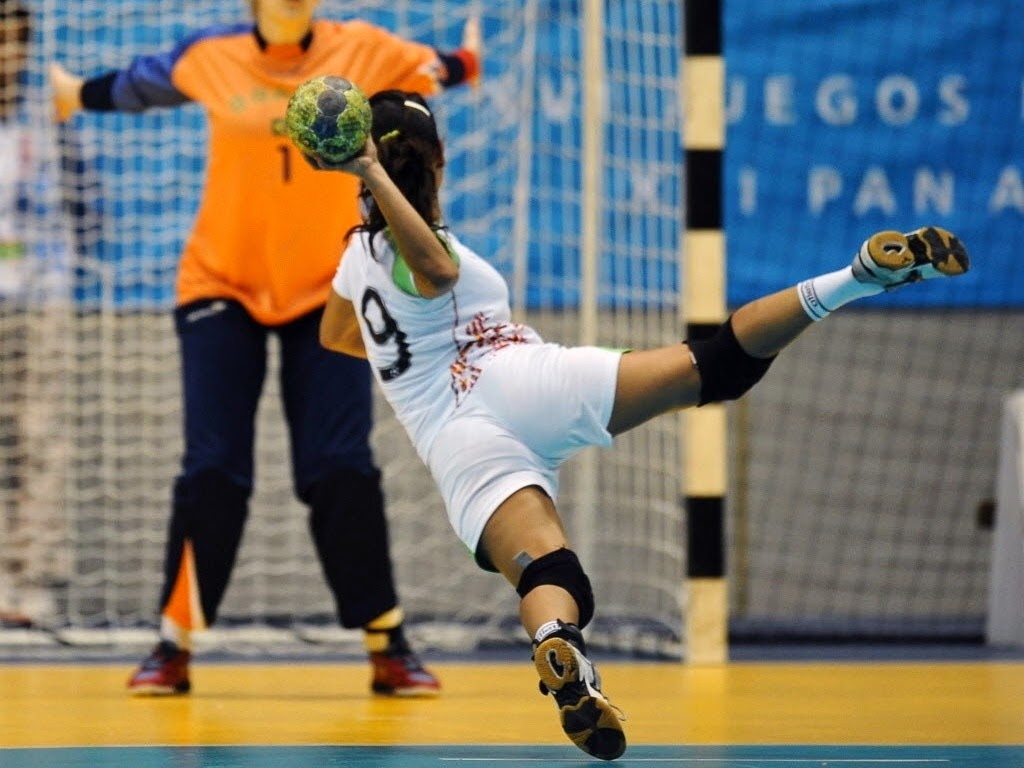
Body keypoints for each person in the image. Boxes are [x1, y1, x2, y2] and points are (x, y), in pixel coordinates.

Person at [314, 90, 971, 760]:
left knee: (552, 571)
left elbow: (338, 332)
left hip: (455, 438)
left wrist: (408, 351)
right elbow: (437, 269)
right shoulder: (435, 250)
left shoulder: (356, 259)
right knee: (713, 367)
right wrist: (374, 175)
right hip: (521, 378)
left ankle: (556, 645)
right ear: (441, 161)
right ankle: (855, 279)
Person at [48, 0, 481, 697]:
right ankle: (174, 643)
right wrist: (73, 95)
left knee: (338, 465)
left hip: (326, 292)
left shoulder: (362, 49)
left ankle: (386, 642)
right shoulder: (212, 56)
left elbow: (425, 72)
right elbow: (138, 85)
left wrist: (466, 62)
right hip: (220, 286)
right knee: (213, 469)